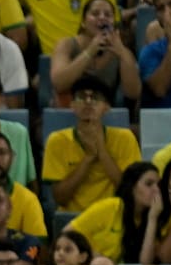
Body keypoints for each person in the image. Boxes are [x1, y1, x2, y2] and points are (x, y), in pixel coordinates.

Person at [42, 75, 138, 212]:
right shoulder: (57, 140)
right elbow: (60, 198)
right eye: (81, 97)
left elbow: (130, 192)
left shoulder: (125, 138)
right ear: (72, 105)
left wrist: (102, 152)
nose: (88, 101)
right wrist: (88, 158)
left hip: (112, 216)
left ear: (106, 107)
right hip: (72, 219)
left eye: (95, 97)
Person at [48, 0, 141, 108]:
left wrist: (122, 53)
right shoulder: (66, 44)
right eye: (95, 14)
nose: (102, 18)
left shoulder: (121, 51)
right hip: (68, 110)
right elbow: (59, 83)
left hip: (104, 112)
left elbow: (134, 93)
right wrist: (90, 51)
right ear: (83, 22)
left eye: (108, 15)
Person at [66, 161, 161, 264]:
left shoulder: (154, 215)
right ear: (132, 187)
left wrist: (153, 219)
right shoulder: (111, 207)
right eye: (149, 184)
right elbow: (67, 233)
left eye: (158, 185)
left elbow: (145, 264)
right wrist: (98, 258)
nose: (156, 190)